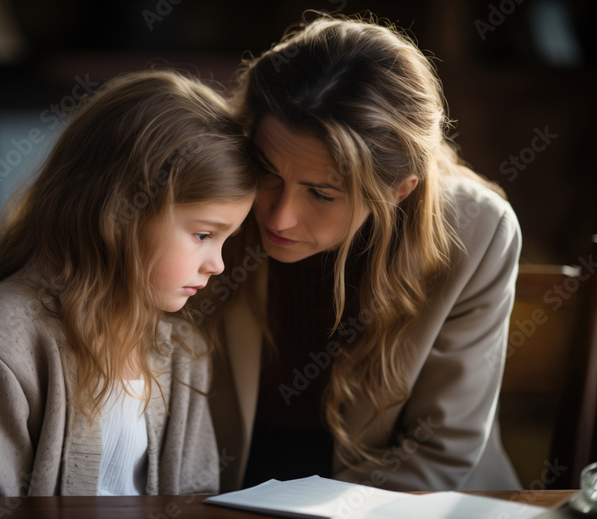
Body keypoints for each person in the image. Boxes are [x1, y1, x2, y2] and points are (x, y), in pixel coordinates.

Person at [211, 12, 522, 491]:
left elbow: (438, 451)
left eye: (321, 193)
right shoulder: (216, 195)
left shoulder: (479, 232)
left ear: (399, 190)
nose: (277, 218)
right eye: (267, 171)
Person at [0, 69, 258, 497]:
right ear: (119, 214)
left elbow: (193, 499)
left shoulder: (182, 352)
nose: (218, 264)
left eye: (227, 239)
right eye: (204, 234)